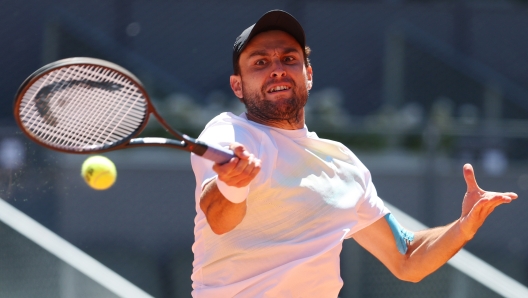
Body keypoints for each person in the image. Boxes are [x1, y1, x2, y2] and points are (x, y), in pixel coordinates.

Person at [190, 9, 518, 297]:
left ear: (309, 75)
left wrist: (463, 226)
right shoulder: (228, 134)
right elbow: (218, 218)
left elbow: (407, 257)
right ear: (237, 86)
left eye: (289, 59)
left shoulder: (344, 164)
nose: (277, 69)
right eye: (260, 62)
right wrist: (232, 184)